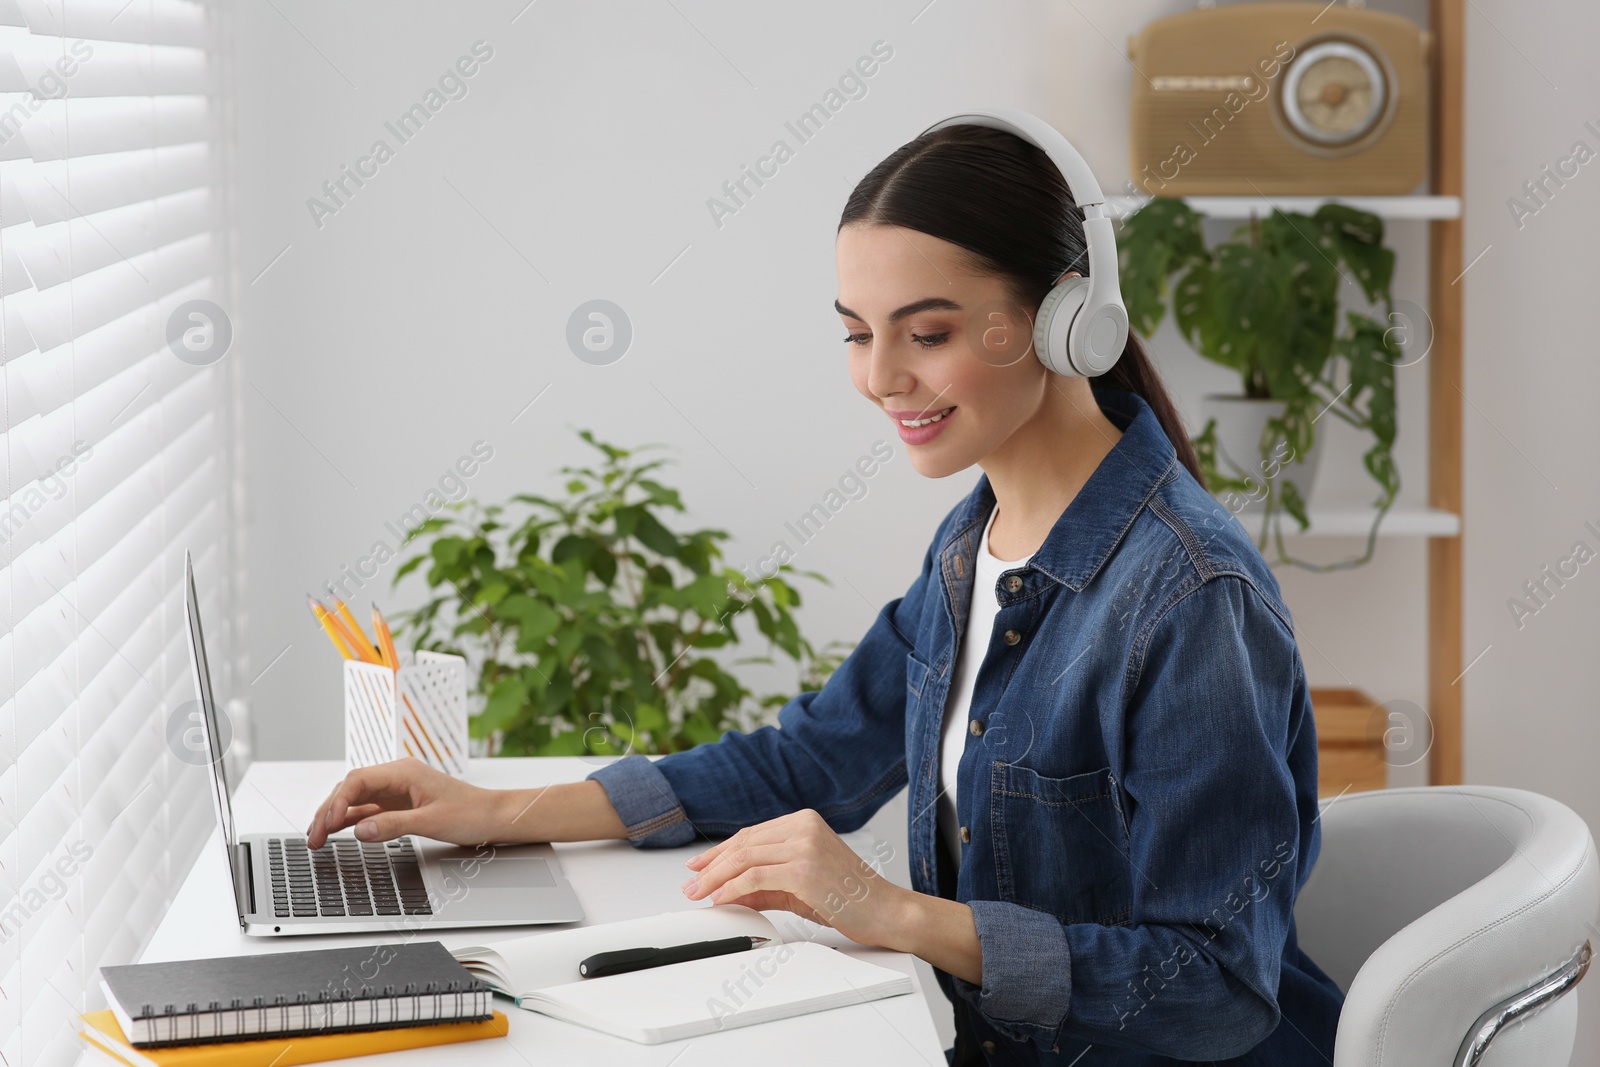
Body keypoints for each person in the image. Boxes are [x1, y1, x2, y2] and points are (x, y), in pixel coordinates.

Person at [306, 118, 1344, 1065]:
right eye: (857, 330)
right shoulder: (972, 542)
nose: (879, 376)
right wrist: (502, 807)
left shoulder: (1191, 600)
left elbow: (1215, 986)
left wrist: (889, 910)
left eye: (926, 333)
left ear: (1070, 318)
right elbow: (809, 753)